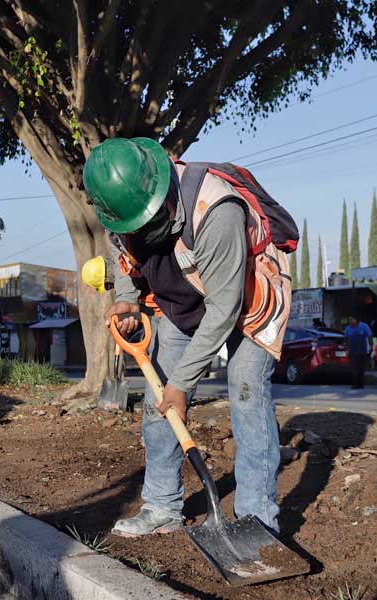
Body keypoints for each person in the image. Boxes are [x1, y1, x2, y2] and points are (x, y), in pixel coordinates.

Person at [83, 137, 293, 537]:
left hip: (248, 296)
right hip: (182, 298)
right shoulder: (120, 214)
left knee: (246, 388)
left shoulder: (215, 210)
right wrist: (129, 303)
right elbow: (125, 262)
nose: (138, 230)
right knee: (157, 400)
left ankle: (257, 520)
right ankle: (162, 505)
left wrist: (183, 383)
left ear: (159, 190)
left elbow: (224, 309)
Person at [345, 315, 372, 389]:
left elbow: (370, 336)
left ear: (356, 320)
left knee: (361, 368)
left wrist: (371, 346)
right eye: (349, 320)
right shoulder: (347, 328)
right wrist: (347, 349)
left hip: (362, 351)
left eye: (351, 319)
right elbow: (346, 339)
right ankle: (354, 384)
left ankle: (361, 384)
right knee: (354, 369)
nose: (350, 321)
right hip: (352, 351)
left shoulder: (364, 326)